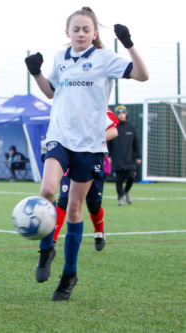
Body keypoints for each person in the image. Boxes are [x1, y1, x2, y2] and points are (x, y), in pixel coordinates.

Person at [25, 7, 148, 301]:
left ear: (94, 34)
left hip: (90, 145)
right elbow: (51, 92)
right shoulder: (60, 59)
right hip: (60, 138)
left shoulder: (105, 59)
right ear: (67, 33)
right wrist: (36, 73)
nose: (80, 34)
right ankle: (45, 251)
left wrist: (128, 43)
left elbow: (142, 75)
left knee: (76, 209)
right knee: (47, 191)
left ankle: (69, 274)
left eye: (86, 30)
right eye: (75, 29)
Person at [53, 109, 119, 252]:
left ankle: (99, 232)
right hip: (70, 160)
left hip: (92, 161)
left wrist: (91, 140)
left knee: (93, 205)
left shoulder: (99, 106)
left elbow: (113, 131)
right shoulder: (67, 105)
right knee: (64, 201)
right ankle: (52, 241)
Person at [107, 106, 142, 206]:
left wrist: (139, 156)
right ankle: (121, 198)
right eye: (119, 113)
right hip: (117, 159)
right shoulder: (114, 127)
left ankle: (126, 191)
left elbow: (137, 143)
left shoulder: (132, 127)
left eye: (123, 113)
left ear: (126, 114)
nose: (121, 115)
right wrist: (109, 155)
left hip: (130, 159)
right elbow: (109, 142)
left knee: (131, 177)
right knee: (118, 180)